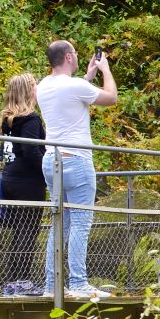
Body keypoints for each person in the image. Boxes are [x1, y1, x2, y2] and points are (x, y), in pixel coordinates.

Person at [38, 39, 118, 300]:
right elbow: (111, 98)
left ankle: (52, 285)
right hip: (77, 160)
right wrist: (104, 70)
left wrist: (88, 76)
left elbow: (72, 96)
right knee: (81, 224)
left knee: (58, 224)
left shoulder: (44, 86)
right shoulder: (75, 86)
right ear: (69, 57)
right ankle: (79, 282)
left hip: (52, 160)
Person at [0, 73, 47, 295]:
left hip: (10, 179)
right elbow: (31, 150)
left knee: (19, 233)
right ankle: (22, 282)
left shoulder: (8, 119)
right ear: (28, 91)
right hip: (28, 182)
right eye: (35, 86)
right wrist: (49, 172)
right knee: (27, 232)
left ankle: (13, 282)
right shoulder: (31, 119)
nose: (38, 90)